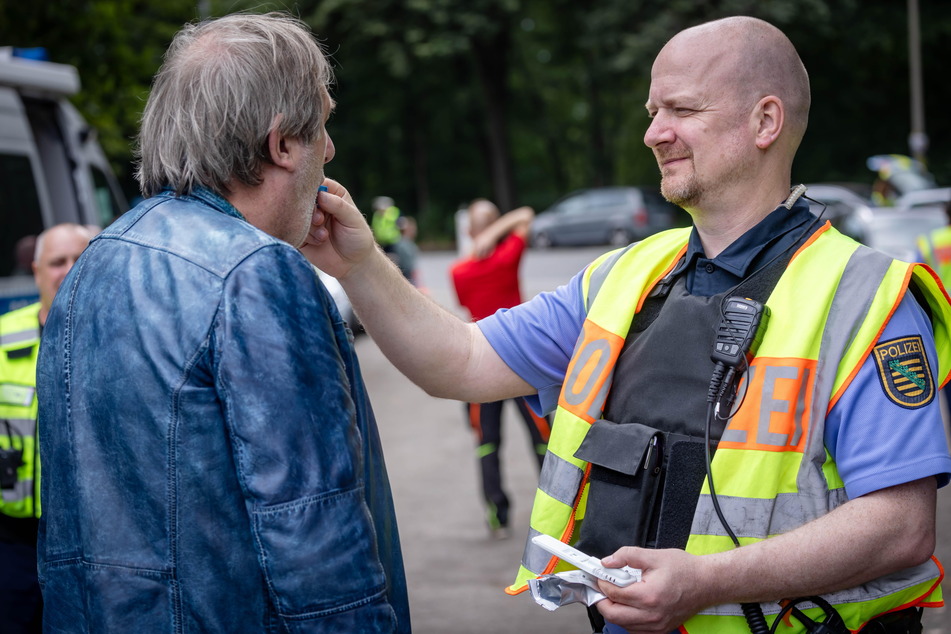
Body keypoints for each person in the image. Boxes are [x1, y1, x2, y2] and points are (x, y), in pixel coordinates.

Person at [305, 15, 951, 634]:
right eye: (651, 113)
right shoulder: (624, 278)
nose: (653, 133)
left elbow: (898, 526)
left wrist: (705, 582)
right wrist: (359, 264)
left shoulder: (867, 298)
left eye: (682, 110)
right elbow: (460, 361)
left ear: (764, 121)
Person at [36, 13, 409, 633]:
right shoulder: (256, 272)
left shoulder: (90, 265)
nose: (332, 149)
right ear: (281, 143)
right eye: (323, 125)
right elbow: (312, 532)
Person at [0, 223, 92, 634]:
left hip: (90, 541)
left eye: (80, 260)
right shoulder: (4, 335)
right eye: (58, 262)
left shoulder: (122, 335)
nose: (69, 270)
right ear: (36, 269)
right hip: (12, 540)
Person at [449, 200, 551, 538]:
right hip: (523, 365)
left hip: (480, 368)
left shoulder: (458, 272)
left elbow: (466, 305)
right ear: (497, 229)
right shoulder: (509, 256)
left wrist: (483, 236)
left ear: (468, 231)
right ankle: (555, 509)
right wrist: (499, 230)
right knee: (542, 438)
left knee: (487, 443)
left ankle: (497, 515)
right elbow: (526, 214)